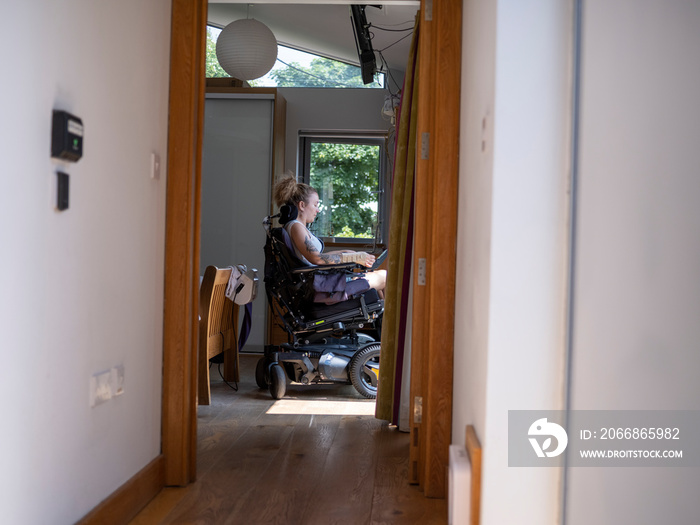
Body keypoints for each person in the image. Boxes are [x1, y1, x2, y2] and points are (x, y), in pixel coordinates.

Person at [273, 174, 387, 298]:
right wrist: (354, 256)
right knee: (384, 276)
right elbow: (317, 259)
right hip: (323, 286)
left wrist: (347, 252)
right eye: (315, 205)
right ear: (302, 205)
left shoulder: (297, 227)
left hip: (322, 282)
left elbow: (317, 257)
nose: (317, 210)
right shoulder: (296, 227)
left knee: (379, 287)